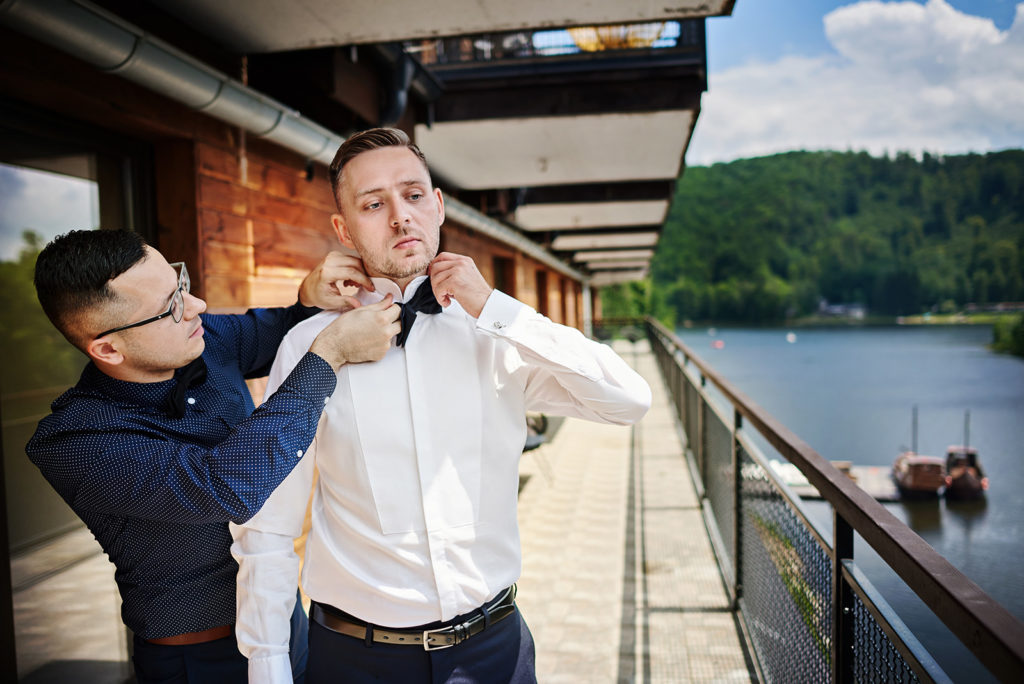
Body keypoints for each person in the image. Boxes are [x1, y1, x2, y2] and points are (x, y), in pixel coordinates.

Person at [231, 128, 652, 683]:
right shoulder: (307, 346)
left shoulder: (497, 334)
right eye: (374, 204)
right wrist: (268, 666)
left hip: (495, 650)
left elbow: (628, 401)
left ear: (438, 205)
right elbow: (268, 525)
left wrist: (498, 310)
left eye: (412, 195)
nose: (400, 217)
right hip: (357, 660)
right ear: (344, 229)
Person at [26, 229, 401, 683]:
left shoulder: (203, 337)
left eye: (180, 285)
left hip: (282, 620)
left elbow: (282, 329)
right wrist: (330, 355)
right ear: (108, 348)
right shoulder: (74, 442)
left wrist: (309, 298)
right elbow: (223, 486)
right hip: (198, 662)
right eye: (171, 306)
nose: (197, 306)